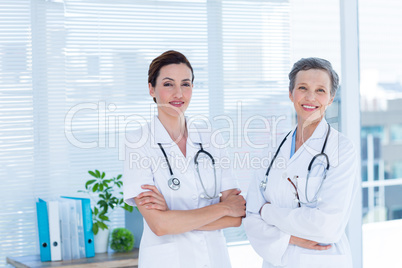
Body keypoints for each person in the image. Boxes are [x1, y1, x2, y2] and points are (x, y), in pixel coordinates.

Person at [123, 50, 246, 268]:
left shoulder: (211, 138)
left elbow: (237, 216)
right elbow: (159, 226)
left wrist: (173, 218)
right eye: (168, 84)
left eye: (186, 84)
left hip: (214, 259)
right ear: (152, 88)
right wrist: (223, 208)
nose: (178, 93)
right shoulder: (138, 143)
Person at [244, 57, 359, 268]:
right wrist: (289, 238)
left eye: (321, 90)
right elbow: (250, 217)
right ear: (291, 93)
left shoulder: (341, 149)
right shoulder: (272, 148)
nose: (310, 97)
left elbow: (327, 226)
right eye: (303, 88)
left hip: (322, 261)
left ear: (331, 98)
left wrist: (266, 212)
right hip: (275, 262)